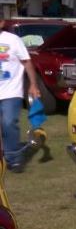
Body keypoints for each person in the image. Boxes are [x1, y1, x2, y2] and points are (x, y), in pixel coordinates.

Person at [0, 19, 41, 172]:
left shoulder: (13, 40)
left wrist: (33, 84)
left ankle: (13, 158)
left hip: (11, 90)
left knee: (9, 122)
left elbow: (27, 62)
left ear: (2, 23)